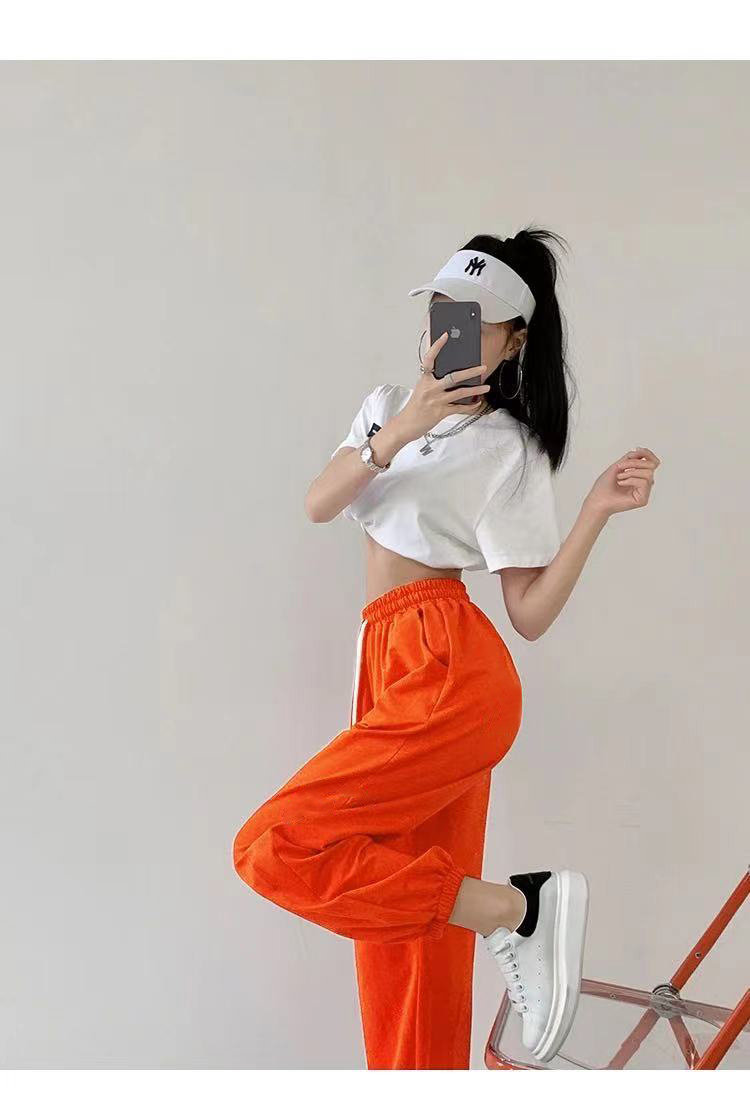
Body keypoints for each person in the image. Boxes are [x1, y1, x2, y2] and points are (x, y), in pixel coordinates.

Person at [232, 228, 661, 1070]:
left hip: (448, 661)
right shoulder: (387, 405)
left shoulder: (511, 447)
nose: (446, 329)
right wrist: (402, 428)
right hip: (385, 659)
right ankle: (510, 919)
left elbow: (528, 612)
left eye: (472, 318)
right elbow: (320, 502)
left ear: (514, 340)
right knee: (403, 934)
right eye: (440, 311)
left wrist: (593, 514)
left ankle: (514, 911)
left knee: (273, 843)